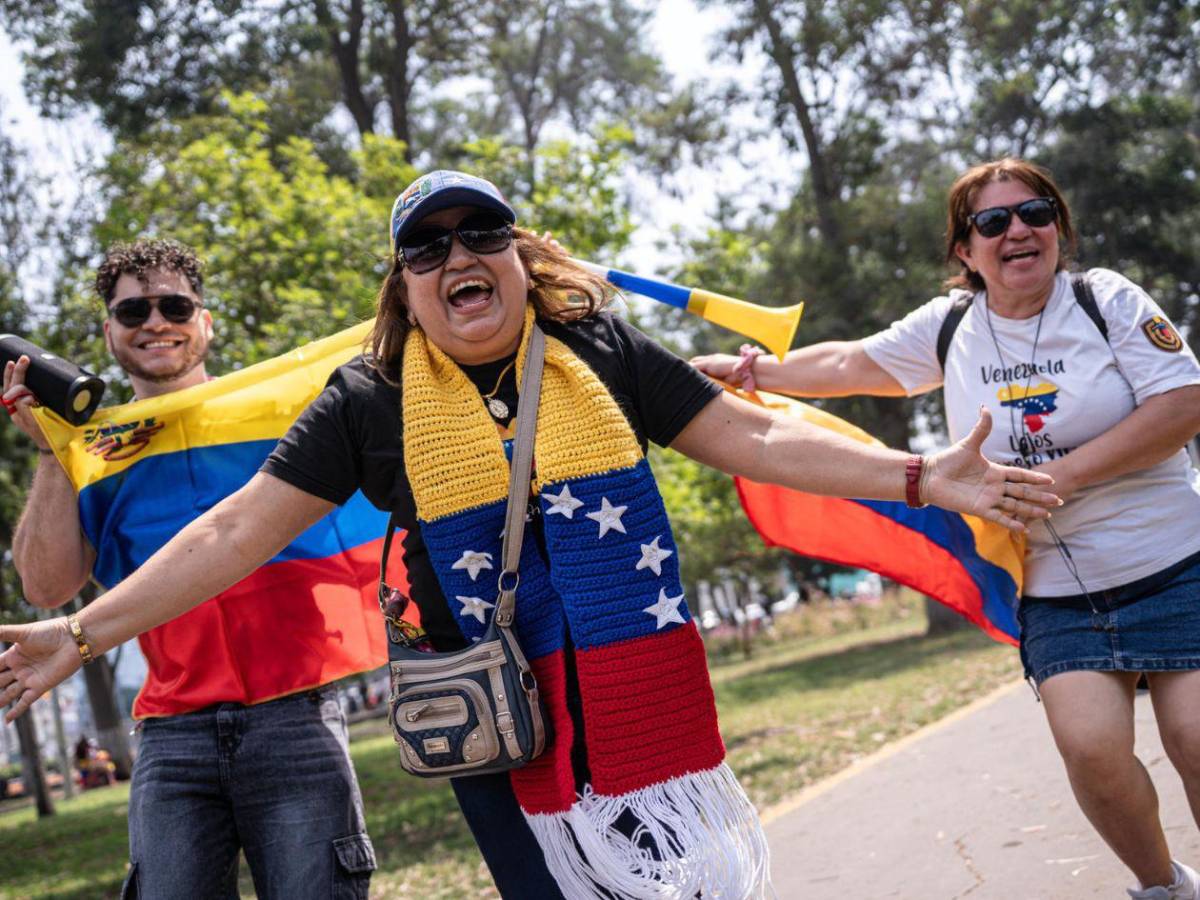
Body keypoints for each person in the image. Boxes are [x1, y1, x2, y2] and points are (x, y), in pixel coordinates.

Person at [0, 171, 1057, 899]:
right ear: (405, 287)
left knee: (670, 882)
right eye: (427, 246)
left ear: (514, 257)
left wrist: (917, 475)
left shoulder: (596, 345)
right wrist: (80, 634)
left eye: (480, 234)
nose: (456, 254)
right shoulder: (369, 399)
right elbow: (233, 532)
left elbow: (745, 434)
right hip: (498, 715)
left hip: (631, 689)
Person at [693, 157, 1200, 900]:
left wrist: (1060, 478)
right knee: (1090, 751)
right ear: (965, 251)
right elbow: (849, 361)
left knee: (1194, 739)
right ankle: (1164, 887)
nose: (1017, 230)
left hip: (1173, 562)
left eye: (1035, 213)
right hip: (1058, 585)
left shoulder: (1105, 301)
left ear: (1058, 227)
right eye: (992, 222)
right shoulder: (952, 326)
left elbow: (1183, 403)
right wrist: (756, 376)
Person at [2, 240, 378, 898]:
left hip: (296, 718)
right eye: (132, 311)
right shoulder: (95, 451)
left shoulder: (287, 410)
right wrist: (52, 451)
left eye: (175, 305)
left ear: (205, 321)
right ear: (108, 332)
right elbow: (45, 587)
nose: (154, 322)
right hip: (171, 738)